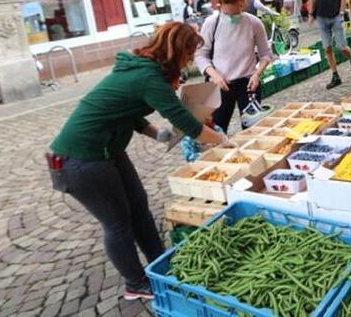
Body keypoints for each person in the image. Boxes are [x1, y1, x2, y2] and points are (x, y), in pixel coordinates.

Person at [48, 23, 224, 301]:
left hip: (108, 152)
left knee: (139, 208)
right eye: (189, 53)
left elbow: (125, 111)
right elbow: (187, 123)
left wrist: (156, 134)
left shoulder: (144, 70)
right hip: (81, 158)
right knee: (117, 223)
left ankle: (162, 265)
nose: (190, 60)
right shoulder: (147, 76)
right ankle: (137, 283)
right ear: (177, 50)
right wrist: (224, 142)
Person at [195, 0, 273, 131]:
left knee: (252, 130)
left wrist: (257, 74)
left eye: (235, 13)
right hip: (220, 84)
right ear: (220, 6)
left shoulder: (254, 23)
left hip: (249, 83)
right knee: (217, 130)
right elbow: (201, 55)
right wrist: (215, 76)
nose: (231, 17)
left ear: (242, 5)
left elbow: (265, 54)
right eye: (227, 13)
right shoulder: (212, 23)